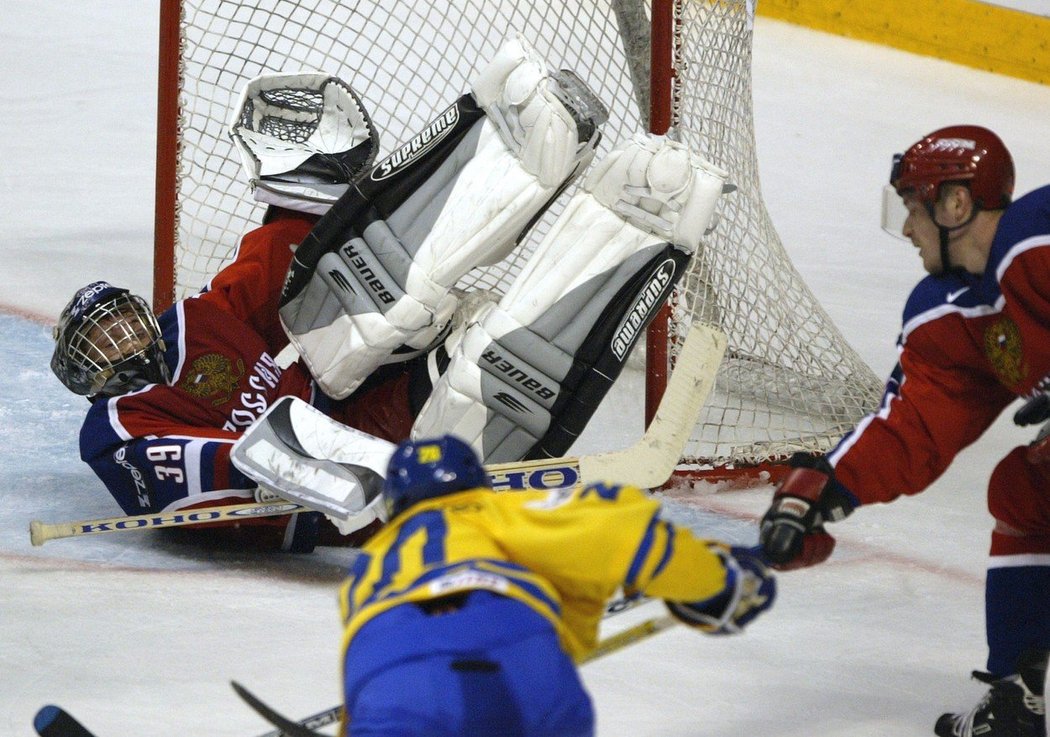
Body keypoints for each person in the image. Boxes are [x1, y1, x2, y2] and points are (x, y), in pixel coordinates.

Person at [50, 41, 732, 554]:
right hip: (343, 491)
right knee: (480, 375)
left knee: (356, 309)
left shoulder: (190, 322)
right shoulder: (116, 429)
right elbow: (242, 460)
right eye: (105, 345)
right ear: (88, 377)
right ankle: (630, 235)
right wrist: (381, 473)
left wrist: (334, 215)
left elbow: (271, 269)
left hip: (346, 393)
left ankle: (505, 155)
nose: (126, 341)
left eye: (122, 325)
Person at [758, 125, 1050, 737]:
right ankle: (1017, 699)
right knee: (1028, 491)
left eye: (915, 208)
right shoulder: (953, 310)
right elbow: (914, 424)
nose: (910, 230)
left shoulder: (1037, 236)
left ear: (955, 204)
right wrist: (824, 491)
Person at [337, 434, 776, 736]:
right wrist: (718, 584)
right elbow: (626, 535)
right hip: (515, 649)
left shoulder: (370, 567)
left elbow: (373, 660)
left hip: (387, 669)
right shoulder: (503, 510)